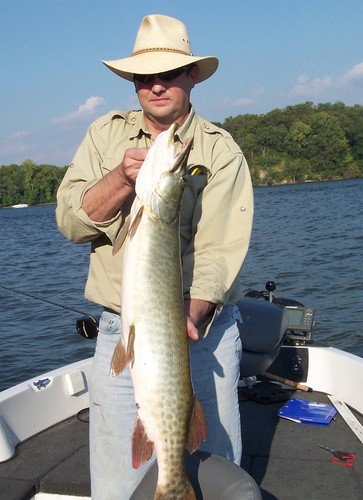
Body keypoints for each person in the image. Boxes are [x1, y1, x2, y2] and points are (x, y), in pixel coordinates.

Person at [56, 14, 254, 500]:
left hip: (200, 331)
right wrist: (122, 180)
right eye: (146, 77)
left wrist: (194, 310)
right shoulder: (105, 136)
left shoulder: (220, 150)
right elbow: (71, 223)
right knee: (119, 483)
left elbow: (220, 246)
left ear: (192, 76)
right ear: (133, 83)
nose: (157, 85)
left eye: (170, 74)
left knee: (217, 472)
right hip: (122, 333)